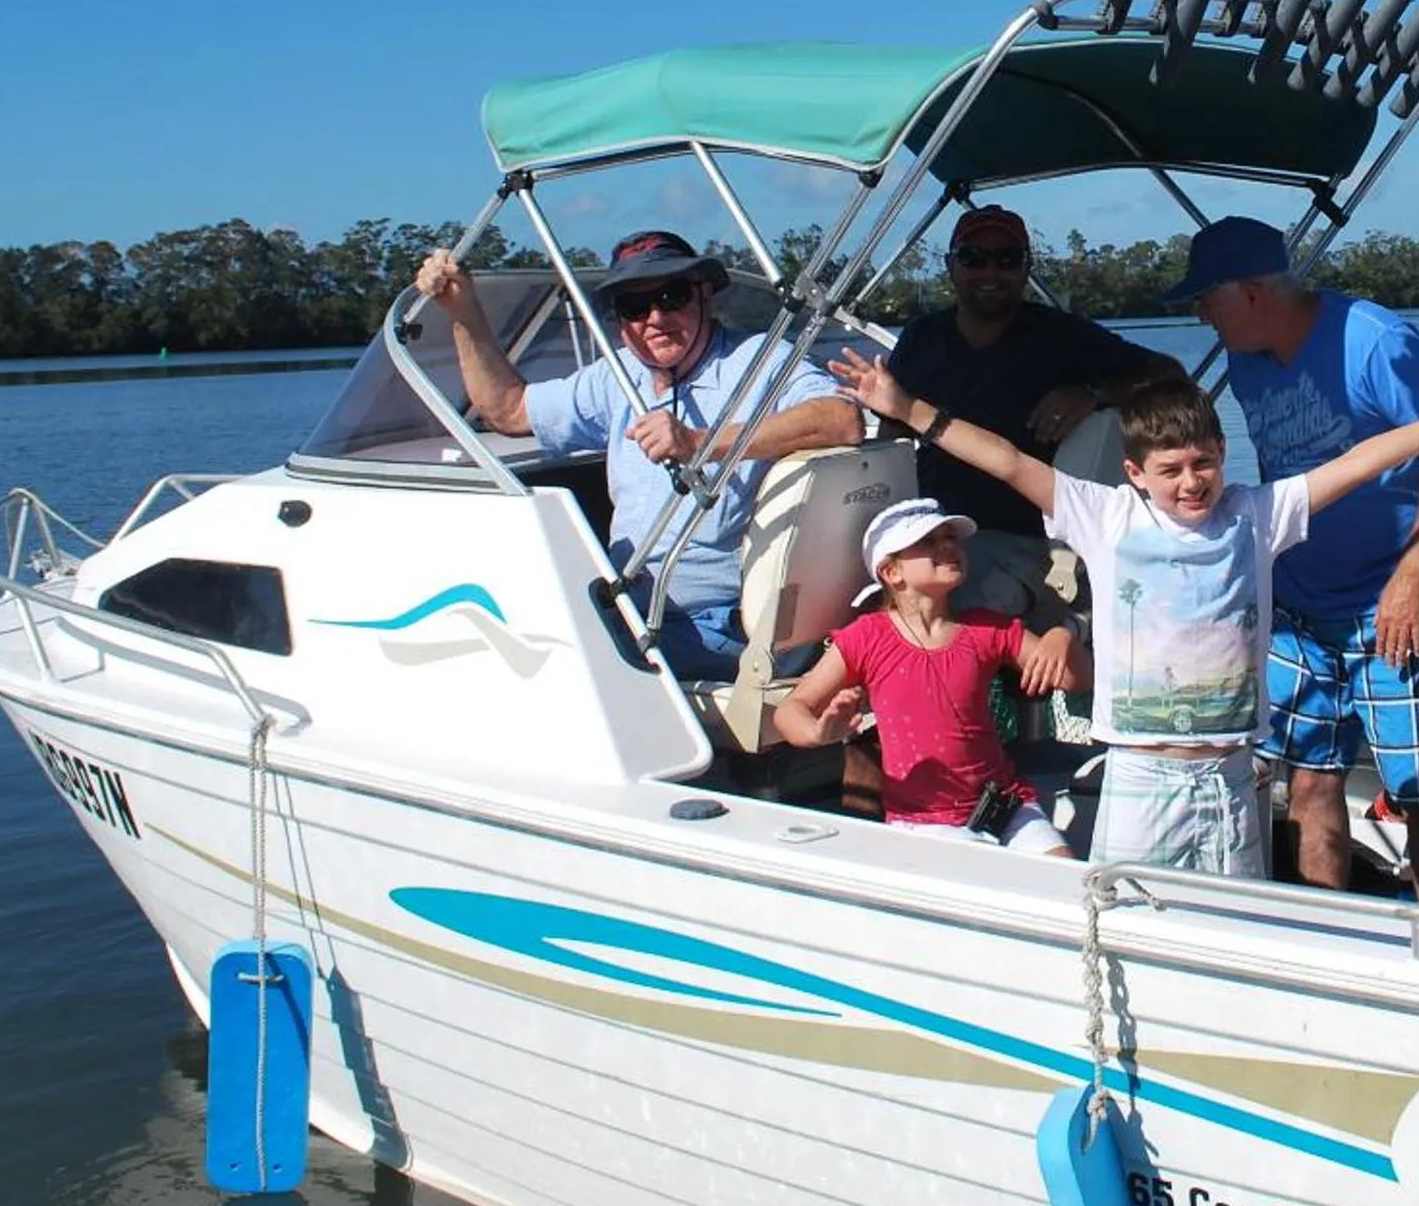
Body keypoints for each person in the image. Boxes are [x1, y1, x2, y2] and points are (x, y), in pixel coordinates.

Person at [828, 347, 1419, 878]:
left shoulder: (1259, 514)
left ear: (1222, 454)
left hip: (1230, 777)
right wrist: (907, 407)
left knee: (1231, 929)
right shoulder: (1103, 516)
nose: (1191, 483)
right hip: (1141, 776)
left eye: (1202, 464)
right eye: (1169, 471)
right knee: (1122, 922)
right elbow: (1007, 460)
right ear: (1135, 474)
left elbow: (1362, 460)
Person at [1163, 216, 1419, 906]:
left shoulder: (1375, 342)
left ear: (1250, 293)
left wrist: (1413, 575)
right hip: (1298, 606)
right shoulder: (1244, 359)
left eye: (1205, 300)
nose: (1200, 316)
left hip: (1394, 598)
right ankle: (1321, 933)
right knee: (1307, 779)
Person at [415, 228, 860, 681]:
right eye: (634, 306)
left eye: (672, 296)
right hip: (632, 610)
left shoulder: (760, 360)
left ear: (704, 294)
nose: (655, 318)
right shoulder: (619, 376)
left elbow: (841, 418)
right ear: (619, 319)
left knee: (543, 667)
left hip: (719, 625)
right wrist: (462, 312)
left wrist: (700, 441)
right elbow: (508, 410)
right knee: (490, 636)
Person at [885, 204, 1184, 618]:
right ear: (951, 266)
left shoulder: (1060, 337)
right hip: (929, 527)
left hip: (1023, 537)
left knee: (950, 612)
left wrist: (1094, 393)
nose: (990, 272)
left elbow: (1168, 373)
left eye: (1007, 259)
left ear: (1026, 269)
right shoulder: (921, 339)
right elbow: (890, 435)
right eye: (974, 258)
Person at [772, 498, 1089, 853]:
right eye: (928, 542)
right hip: (924, 821)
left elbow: (1077, 680)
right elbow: (791, 709)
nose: (948, 546)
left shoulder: (987, 629)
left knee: (1063, 875)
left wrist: (1063, 636)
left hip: (1006, 805)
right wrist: (816, 733)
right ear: (891, 572)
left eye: (950, 537)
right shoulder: (866, 637)